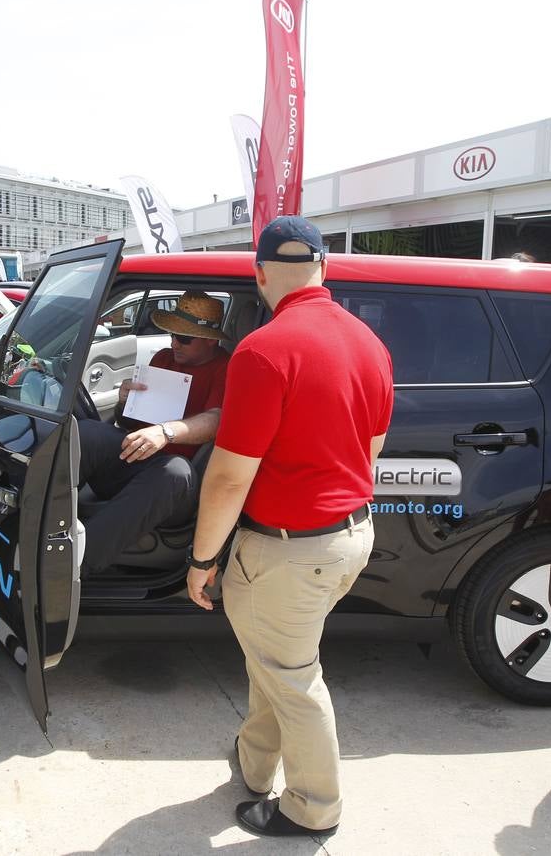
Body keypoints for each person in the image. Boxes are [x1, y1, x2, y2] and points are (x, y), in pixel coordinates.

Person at [186, 216, 393, 838]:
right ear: (324, 267)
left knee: (292, 678)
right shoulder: (369, 343)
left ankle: (312, 808)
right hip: (349, 534)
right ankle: (254, 766)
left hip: (289, 547)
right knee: (273, 658)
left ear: (260, 274)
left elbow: (227, 478)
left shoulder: (264, 350)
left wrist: (202, 560)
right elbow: (372, 448)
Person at [76, 290, 231, 577]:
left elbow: (216, 419)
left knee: (175, 471)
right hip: (138, 458)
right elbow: (128, 420)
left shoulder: (225, 368)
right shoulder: (163, 358)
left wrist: (165, 432)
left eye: (184, 338)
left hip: (177, 485)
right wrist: (124, 400)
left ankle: (78, 560)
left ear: (210, 340)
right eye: (172, 334)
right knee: (87, 433)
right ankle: (41, 518)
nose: (174, 343)